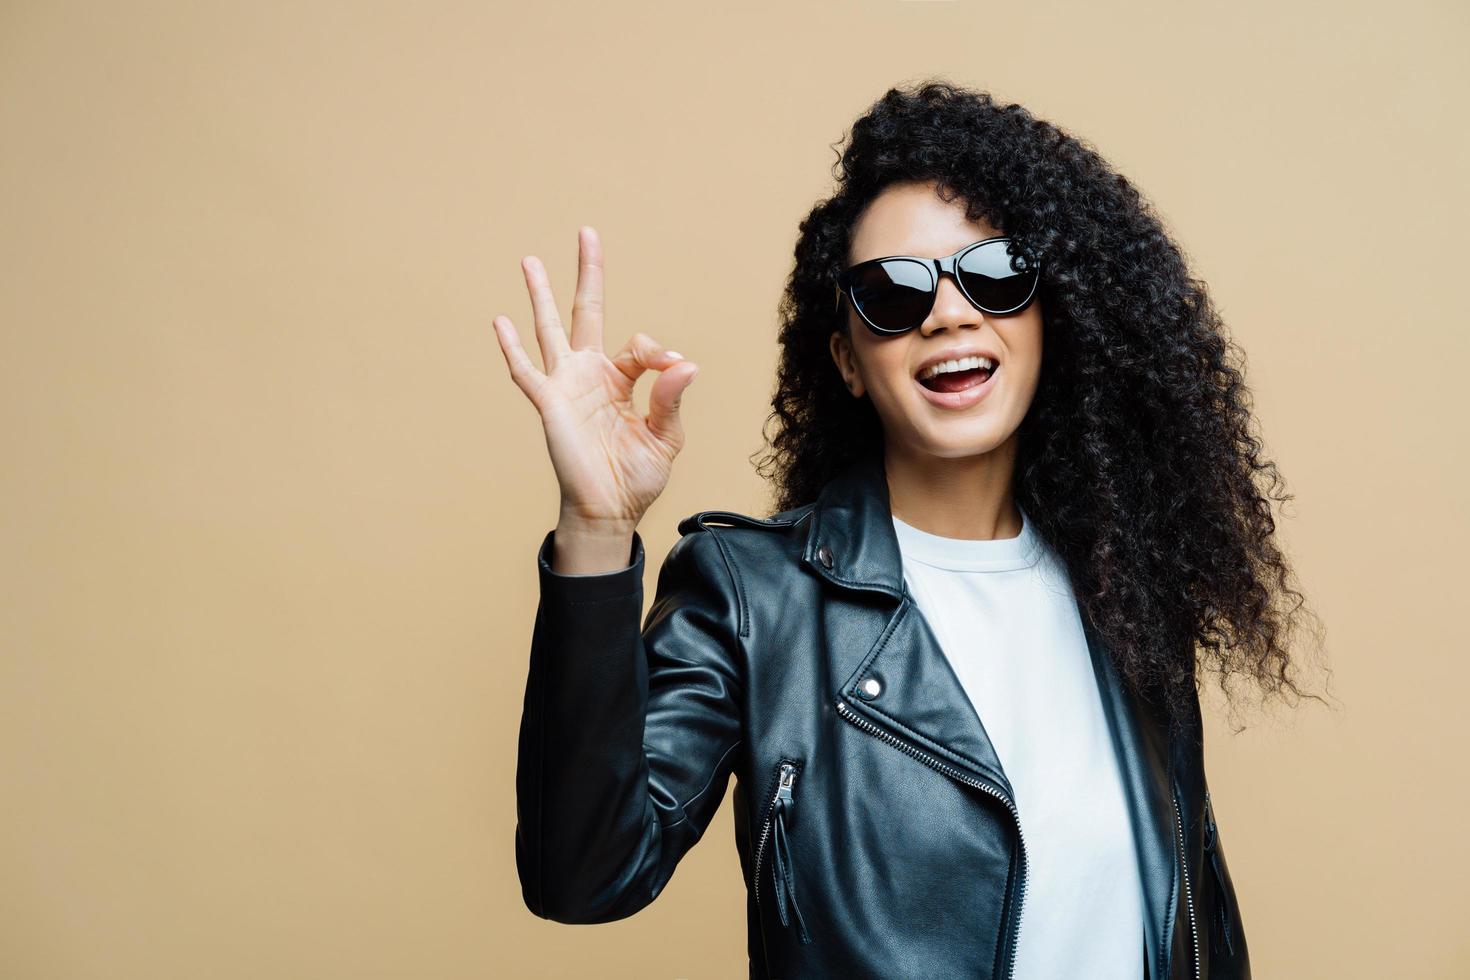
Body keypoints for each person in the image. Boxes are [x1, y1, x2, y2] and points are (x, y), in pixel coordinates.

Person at [495, 80, 1319, 979]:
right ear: (848, 359)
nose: (949, 312)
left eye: (996, 275)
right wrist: (593, 527)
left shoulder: (1126, 594)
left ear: (1052, 317)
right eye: (893, 293)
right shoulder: (753, 597)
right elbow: (582, 876)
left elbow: (1197, 922)